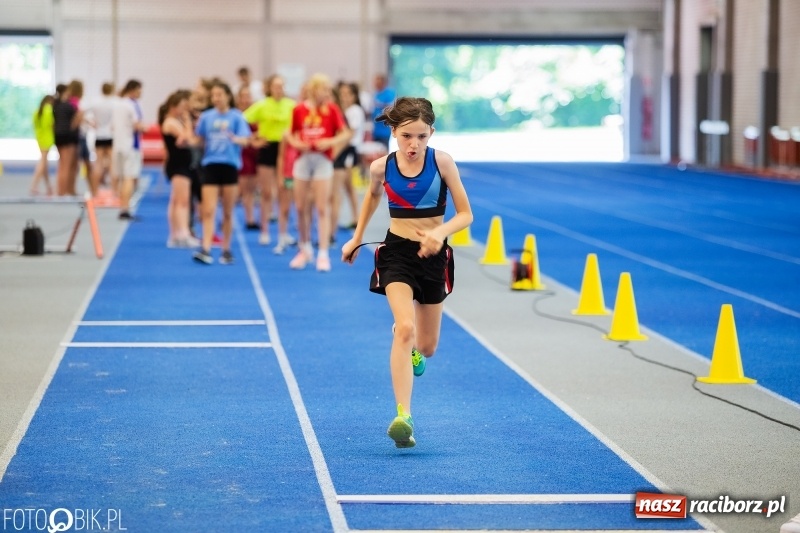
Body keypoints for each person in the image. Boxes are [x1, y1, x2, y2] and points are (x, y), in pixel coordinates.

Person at [340, 97, 473, 448]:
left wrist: (439, 233)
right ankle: (404, 417)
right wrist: (356, 238)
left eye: (421, 137)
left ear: (431, 133)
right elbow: (371, 198)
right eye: (406, 136)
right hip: (396, 253)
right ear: (394, 134)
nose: (413, 144)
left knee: (426, 347)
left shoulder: (442, 163)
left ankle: (413, 347)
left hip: (433, 256)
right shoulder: (380, 168)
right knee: (405, 327)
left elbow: (465, 214)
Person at [284, 73, 351, 272]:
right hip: (303, 159)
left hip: (322, 160)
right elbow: (290, 134)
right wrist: (298, 144)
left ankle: (322, 252)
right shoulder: (299, 109)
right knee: (300, 207)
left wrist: (329, 141)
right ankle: (304, 248)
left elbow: (345, 133)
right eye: (325, 89)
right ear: (314, 90)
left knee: (322, 207)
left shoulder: (331, 109)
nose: (328, 93)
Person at [192, 81, 253, 265]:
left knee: (227, 212)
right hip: (211, 164)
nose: (216, 98)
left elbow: (246, 139)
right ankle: (206, 248)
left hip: (229, 166)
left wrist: (236, 139)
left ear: (227, 96)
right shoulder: (206, 117)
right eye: (213, 96)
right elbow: (199, 139)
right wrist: (187, 140)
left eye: (219, 95)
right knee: (208, 210)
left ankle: (226, 249)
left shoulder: (237, 117)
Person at [242, 74, 296, 247]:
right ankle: (264, 230)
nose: (279, 89)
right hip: (267, 148)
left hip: (285, 149)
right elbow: (241, 120)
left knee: (284, 192)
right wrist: (252, 139)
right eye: (275, 86)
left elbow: (299, 125)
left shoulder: (291, 105)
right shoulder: (262, 105)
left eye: (281, 86)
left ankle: (283, 232)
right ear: (269, 88)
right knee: (266, 192)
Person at [160, 89, 200, 248]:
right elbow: (185, 138)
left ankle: (175, 234)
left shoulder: (174, 121)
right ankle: (183, 233)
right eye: (182, 107)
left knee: (176, 200)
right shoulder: (170, 122)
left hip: (181, 164)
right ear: (173, 106)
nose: (185, 110)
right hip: (178, 165)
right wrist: (188, 123)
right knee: (182, 201)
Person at [330, 81, 364, 235]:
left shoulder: (354, 110)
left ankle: (351, 220)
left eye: (347, 94)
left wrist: (334, 152)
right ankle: (355, 217)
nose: (344, 97)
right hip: (345, 150)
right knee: (348, 188)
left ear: (354, 96)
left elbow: (350, 134)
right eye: (342, 94)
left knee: (342, 189)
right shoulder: (346, 110)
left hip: (348, 151)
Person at [112, 79, 145, 220]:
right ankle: (125, 209)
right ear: (133, 90)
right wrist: (145, 128)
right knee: (129, 178)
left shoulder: (118, 104)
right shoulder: (132, 105)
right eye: (139, 90)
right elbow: (137, 125)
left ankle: (123, 206)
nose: (140, 93)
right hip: (131, 145)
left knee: (122, 177)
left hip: (118, 144)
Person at [87, 82, 116, 197]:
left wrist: (92, 122)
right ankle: (114, 191)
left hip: (99, 136)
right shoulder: (114, 102)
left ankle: (95, 192)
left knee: (98, 164)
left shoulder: (96, 102)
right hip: (110, 135)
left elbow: (83, 112)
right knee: (112, 164)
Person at [30, 94, 55, 196]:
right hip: (47, 137)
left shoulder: (37, 111)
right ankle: (34, 185)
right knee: (43, 162)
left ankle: (49, 187)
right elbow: (52, 124)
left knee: (45, 163)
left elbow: (35, 125)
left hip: (39, 137)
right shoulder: (49, 110)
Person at [370, 74, 396, 149]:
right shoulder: (376, 94)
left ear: (383, 82)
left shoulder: (389, 93)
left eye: (378, 82)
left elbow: (391, 107)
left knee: (383, 150)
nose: (376, 84)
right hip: (376, 130)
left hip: (384, 130)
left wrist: (380, 104)